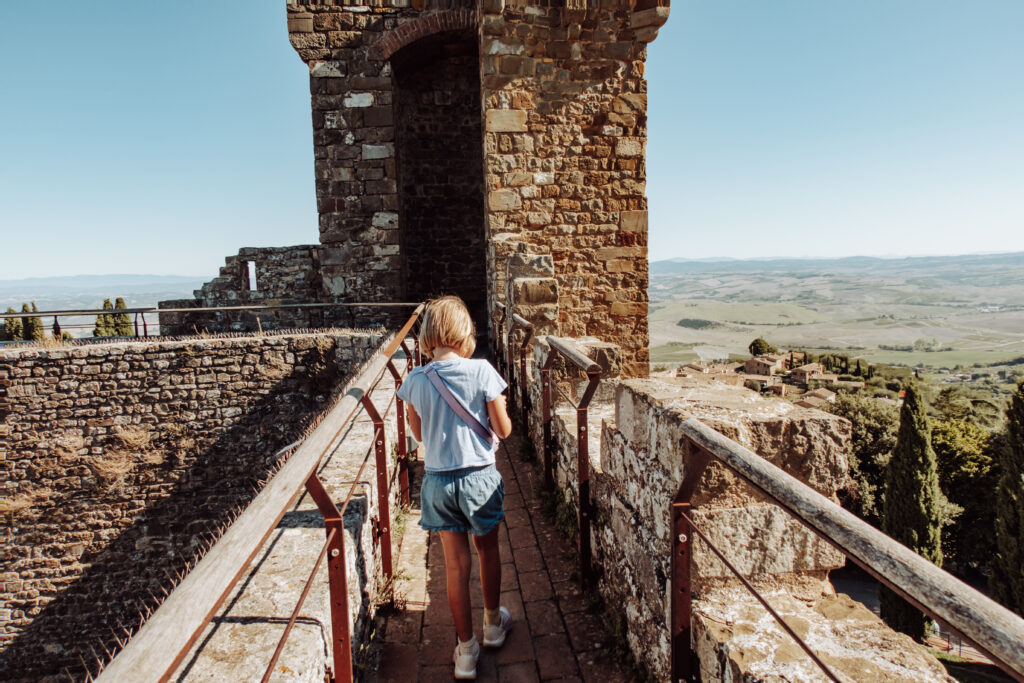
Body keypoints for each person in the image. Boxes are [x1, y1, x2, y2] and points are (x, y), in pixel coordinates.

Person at [397, 296, 515, 680]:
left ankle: (465, 650)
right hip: (479, 478)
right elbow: (503, 430)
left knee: (454, 565)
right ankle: (493, 625)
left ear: (429, 336)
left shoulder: (415, 379)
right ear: (465, 334)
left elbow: (417, 433)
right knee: (488, 552)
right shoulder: (482, 372)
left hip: (438, 482)